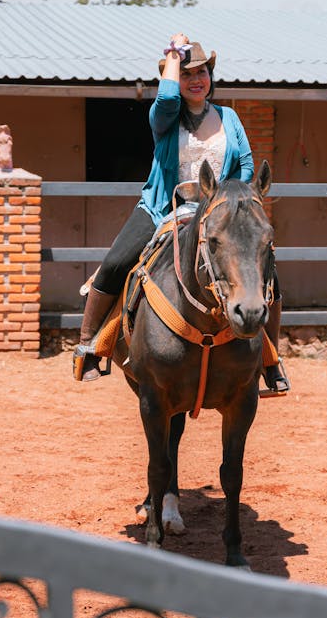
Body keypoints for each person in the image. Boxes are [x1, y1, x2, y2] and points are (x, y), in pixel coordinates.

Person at [75, 32, 288, 393]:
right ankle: (91, 345)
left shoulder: (230, 118)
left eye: (202, 72)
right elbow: (168, 96)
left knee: (267, 269)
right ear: (176, 78)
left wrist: (228, 200)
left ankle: (270, 358)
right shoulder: (166, 118)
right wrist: (173, 55)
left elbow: (247, 165)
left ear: (211, 78)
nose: (196, 80)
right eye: (187, 74)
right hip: (164, 208)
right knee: (116, 262)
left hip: (218, 211)